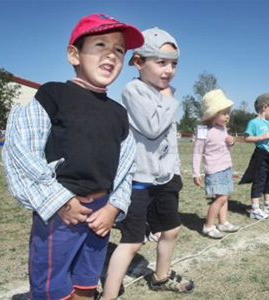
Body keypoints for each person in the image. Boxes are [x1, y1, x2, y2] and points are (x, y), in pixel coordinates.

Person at [1, 13, 144, 300]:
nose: (111, 55)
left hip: (101, 213)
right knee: (52, 288)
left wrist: (114, 207)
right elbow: (21, 152)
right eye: (101, 44)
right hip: (60, 212)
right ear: (74, 54)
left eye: (119, 49)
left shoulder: (119, 113)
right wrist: (59, 202)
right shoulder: (53, 94)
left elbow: (126, 167)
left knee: (86, 283)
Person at [101, 27, 194, 299]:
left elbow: (168, 140)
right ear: (138, 62)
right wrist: (169, 100)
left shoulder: (164, 93)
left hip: (165, 178)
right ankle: (109, 294)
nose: (169, 70)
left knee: (172, 229)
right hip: (139, 180)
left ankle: (161, 277)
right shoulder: (134, 90)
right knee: (132, 241)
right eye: (161, 62)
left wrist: (174, 171)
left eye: (174, 64)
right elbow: (152, 127)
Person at [192, 89, 240, 239]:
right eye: (224, 113)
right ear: (214, 114)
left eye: (228, 112)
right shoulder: (203, 130)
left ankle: (223, 222)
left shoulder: (223, 127)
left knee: (225, 196)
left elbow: (225, 140)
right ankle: (208, 226)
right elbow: (197, 152)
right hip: (214, 170)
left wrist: (231, 140)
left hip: (226, 167)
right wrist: (195, 172)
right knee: (220, 199)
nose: (228, 116)